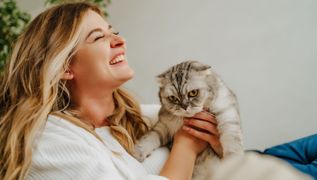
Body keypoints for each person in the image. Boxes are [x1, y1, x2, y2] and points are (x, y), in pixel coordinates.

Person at [0, 2, 221, 180]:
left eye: (113, 31)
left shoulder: (143, 118)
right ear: (64, 67)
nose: (120, 40)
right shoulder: (47, 143)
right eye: (98, 37)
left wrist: (220, 145)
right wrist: (186, 147)